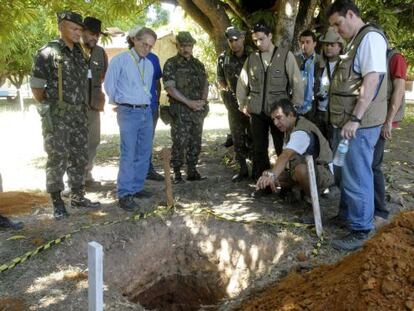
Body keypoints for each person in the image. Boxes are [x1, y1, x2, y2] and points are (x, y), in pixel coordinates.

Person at [327, 0, 388, 250]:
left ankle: (361, 228)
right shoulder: (356, 40)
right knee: (342, 172)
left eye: (338, 23)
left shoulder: (370, 39)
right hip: (346, 123)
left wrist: (355, 118)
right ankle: (347, 216)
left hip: (358, 125)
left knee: (357, 175)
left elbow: (371, 81)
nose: (336, 30)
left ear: (351, 14)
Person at [31, 11, 100, 220]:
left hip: (79, 115)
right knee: (57, 157)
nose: (78, 32)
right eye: (74, 28)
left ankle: (78, 195)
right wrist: (52, 106)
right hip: (58, 116)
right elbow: (37, 87)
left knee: (79, 155)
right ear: (61, 27)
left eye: (80, 29)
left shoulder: (79, 53)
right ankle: (57, 201)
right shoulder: (48, 52)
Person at [237, 22, 304, 181]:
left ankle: (285, 182)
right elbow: (242, 82)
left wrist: (294, 107)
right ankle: (262, 183)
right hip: (257, 111)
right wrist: (242, 104)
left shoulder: (285, 55)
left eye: (261, 39)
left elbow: (297, 82)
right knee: (259, 149)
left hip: (279, 113)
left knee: (283, 148)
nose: (259, 43)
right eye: (255, 41)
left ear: (270, 36)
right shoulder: (252, 58)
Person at [104, 27, 157, 211]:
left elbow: (146, 89)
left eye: (150, 46)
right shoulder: (120, 60)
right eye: (144, 44)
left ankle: (136, 187)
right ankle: (124, 193)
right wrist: (120, 102)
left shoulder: (149, 64)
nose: (147, 49)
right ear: (134, 40)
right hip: (127, 112)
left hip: (145, 111)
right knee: (128, 152)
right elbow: (109, 85)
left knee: (144, 151)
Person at [256, 99, 334, 201]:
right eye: (273, 119)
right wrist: (270, 174)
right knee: (267, 173)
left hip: (323, 172)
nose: (275, 123)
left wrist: (272, 175)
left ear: (291, 114)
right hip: (303, 171)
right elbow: (285, 160)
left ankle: (311, 200)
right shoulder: (290, 128)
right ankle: (296, 191)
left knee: (299, 170)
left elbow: (285, 156)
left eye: (279, 118)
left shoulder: (301, 131)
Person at [163, 31, 209, 184]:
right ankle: (177, 174)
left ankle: (192, 170)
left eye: (189, 45)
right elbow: (170, 88)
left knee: (195, 141)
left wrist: (202, 101)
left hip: (197, 111)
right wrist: (189, 103)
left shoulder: (198, 65)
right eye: (182, 45)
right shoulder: (171, 64)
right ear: (177, 46)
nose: (186, 49)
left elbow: (205, 84)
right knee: (179, 143)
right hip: (180, 111)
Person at [372, 49, 407, 228]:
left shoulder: (395, 58)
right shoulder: (372, 55)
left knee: (374, 165)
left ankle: (380, 212)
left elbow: (399, 90)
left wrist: (388, 121)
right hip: (371, 119)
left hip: (382, 120)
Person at [126, 29, 164, 181]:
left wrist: (157, 101)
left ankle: (147, 170)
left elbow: (157, 82)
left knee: (147, 140)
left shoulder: (154, 59)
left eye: (149, 44)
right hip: (131, 108)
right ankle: (132, 175)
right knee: (132, 143)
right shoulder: (125, 59)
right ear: (133, 40)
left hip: (151, 106)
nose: (146, 46)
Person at [217, 26, 252, 182]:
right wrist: (227, 94)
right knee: (237, 137)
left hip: (251, 104)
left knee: (254, 136)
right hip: (233, 105)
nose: (233, 43)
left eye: (236, 40)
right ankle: (243, 169)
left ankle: (258, 169)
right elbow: (220, 80)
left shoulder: (253, 55)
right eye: (230, 40)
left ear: (242, 39)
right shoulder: (223, 58)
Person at [81, 16, 109, 188]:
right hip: (75, 105)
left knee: (93, 140)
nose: (95, 38)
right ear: (82, 31)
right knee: (76, 142)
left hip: (93, 106)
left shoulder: (100, 52)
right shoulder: (73, 50)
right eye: (92, 34)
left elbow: (103, 75)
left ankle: (87, 174)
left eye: (97, 35)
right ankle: (74, 179)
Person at [312, 27, 344, 140]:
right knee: (318, 149)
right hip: (318, 113)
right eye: (326, 45)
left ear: (340, 47)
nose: (328, 47)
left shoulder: (344, 66)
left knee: (333, 150)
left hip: (335, 115)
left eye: (332, 45)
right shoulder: (318, 65)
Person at [295, 30, 319, 117]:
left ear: (314, 43)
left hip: (314, 108)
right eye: (302, 42)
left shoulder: (320, 61)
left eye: (308, 42)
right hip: (296, 107)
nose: (304, 45)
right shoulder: (294, 60)